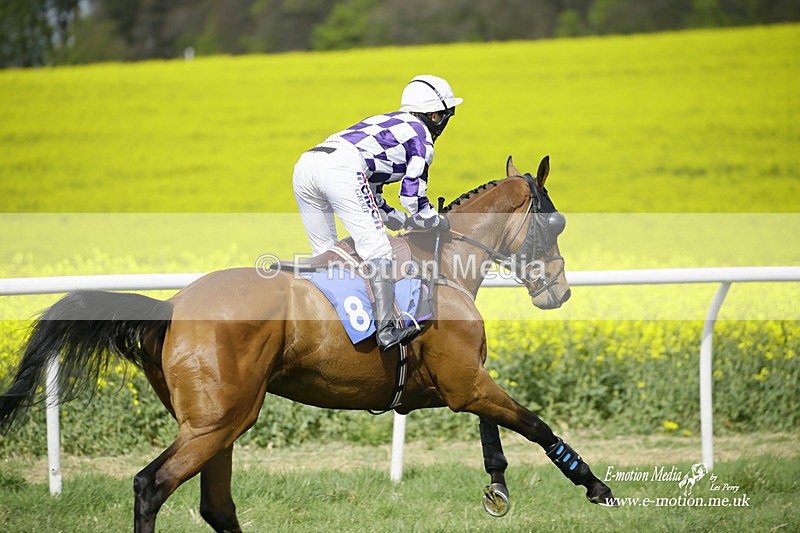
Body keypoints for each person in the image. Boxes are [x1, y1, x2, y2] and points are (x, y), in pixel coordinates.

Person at [293, 74, 463, 351]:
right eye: (446, 116)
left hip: (306, 165)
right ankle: (386, 330)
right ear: (435, 115)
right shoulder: (421, 137)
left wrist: (399, 218)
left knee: (325, 251)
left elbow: (374, 197)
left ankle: (324, 325)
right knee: (378, 249)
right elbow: (412, 197)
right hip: (341, 169)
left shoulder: (389, 122)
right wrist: (433, 219)